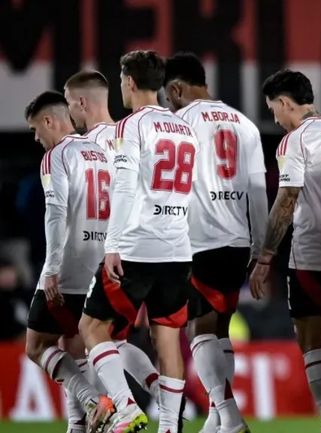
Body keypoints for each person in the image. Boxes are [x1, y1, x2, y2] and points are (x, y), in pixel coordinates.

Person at [78, 50, 199, 433]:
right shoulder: (185, 128)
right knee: (167, 337)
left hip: (136, 246)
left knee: (92, 327)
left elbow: (126, 184)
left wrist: (112, 243)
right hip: (178, 247)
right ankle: (169, 426)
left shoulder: (130, 126)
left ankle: (127, 407)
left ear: (128, 82)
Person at [164, 52, 268, 433]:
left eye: (167, 96)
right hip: (238, 241)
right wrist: (261, 250)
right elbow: (258, 193)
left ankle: (231, 415)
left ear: (176, 89)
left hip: (197, 240)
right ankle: (215, 418)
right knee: (220, 329)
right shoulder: (245, 124)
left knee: (199, 331)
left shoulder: (178, 123)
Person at [250, 69, 321, 433]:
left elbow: (286, 200)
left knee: (311, 339)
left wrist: (265, 256)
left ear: (284, 103)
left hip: (313, 253)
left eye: (274, 110)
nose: (276, 119)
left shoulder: (294, 141)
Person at [64, 69, 162, 400]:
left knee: (79, 339)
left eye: (68, 104)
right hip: (131, 257)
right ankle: (163, 396)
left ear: (80, 102)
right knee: (114, 340)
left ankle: (109, 410)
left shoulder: (77, 147)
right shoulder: (127, 134)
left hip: (90, 256)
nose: (68, 113)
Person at [23, 90, 115, 433]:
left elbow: (56, 213)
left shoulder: (57, 156)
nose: (36, 138)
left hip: (70, 266)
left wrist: (50, 269)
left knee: (37, 346)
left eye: (36, 129)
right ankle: (79, 426)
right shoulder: (102, 152)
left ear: (49, 121)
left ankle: (93, 401)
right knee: (74, 347)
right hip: (101, 265)